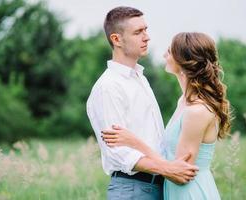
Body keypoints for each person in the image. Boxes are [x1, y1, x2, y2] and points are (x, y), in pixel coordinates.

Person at [86, 7, 198, 200]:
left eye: (146, 29)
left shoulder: (140, 78)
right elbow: (119, 153)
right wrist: (168, 169)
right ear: (116, 39)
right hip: (133, 190)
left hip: (159, 186)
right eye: (138, 32)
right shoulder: (109, 87)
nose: (146, 37)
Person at [102, 32, 231, 199]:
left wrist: (134, 142)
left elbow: (180, 173)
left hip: (190, 192)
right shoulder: (183, 102)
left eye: (169, 51)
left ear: (183, 61)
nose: (164, 55)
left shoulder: (197, 111)